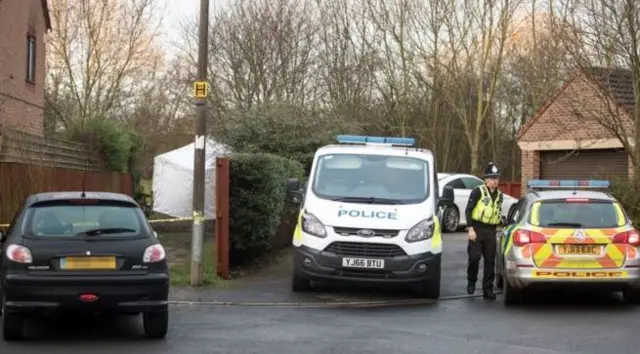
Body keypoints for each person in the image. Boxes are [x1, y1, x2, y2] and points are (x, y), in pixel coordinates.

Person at [465, 162, 504, 300]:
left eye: (497, 178)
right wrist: (470, 229)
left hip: (491, 230)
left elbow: (497, 212)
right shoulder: (478, 191)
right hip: (477, 228)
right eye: (492, 178)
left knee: (490, 261)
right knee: (474, 258)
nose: (495, 181)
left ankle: (487, 289)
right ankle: (471, 281)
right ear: (486, 179)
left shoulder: (500, 195)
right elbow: (468, 210)